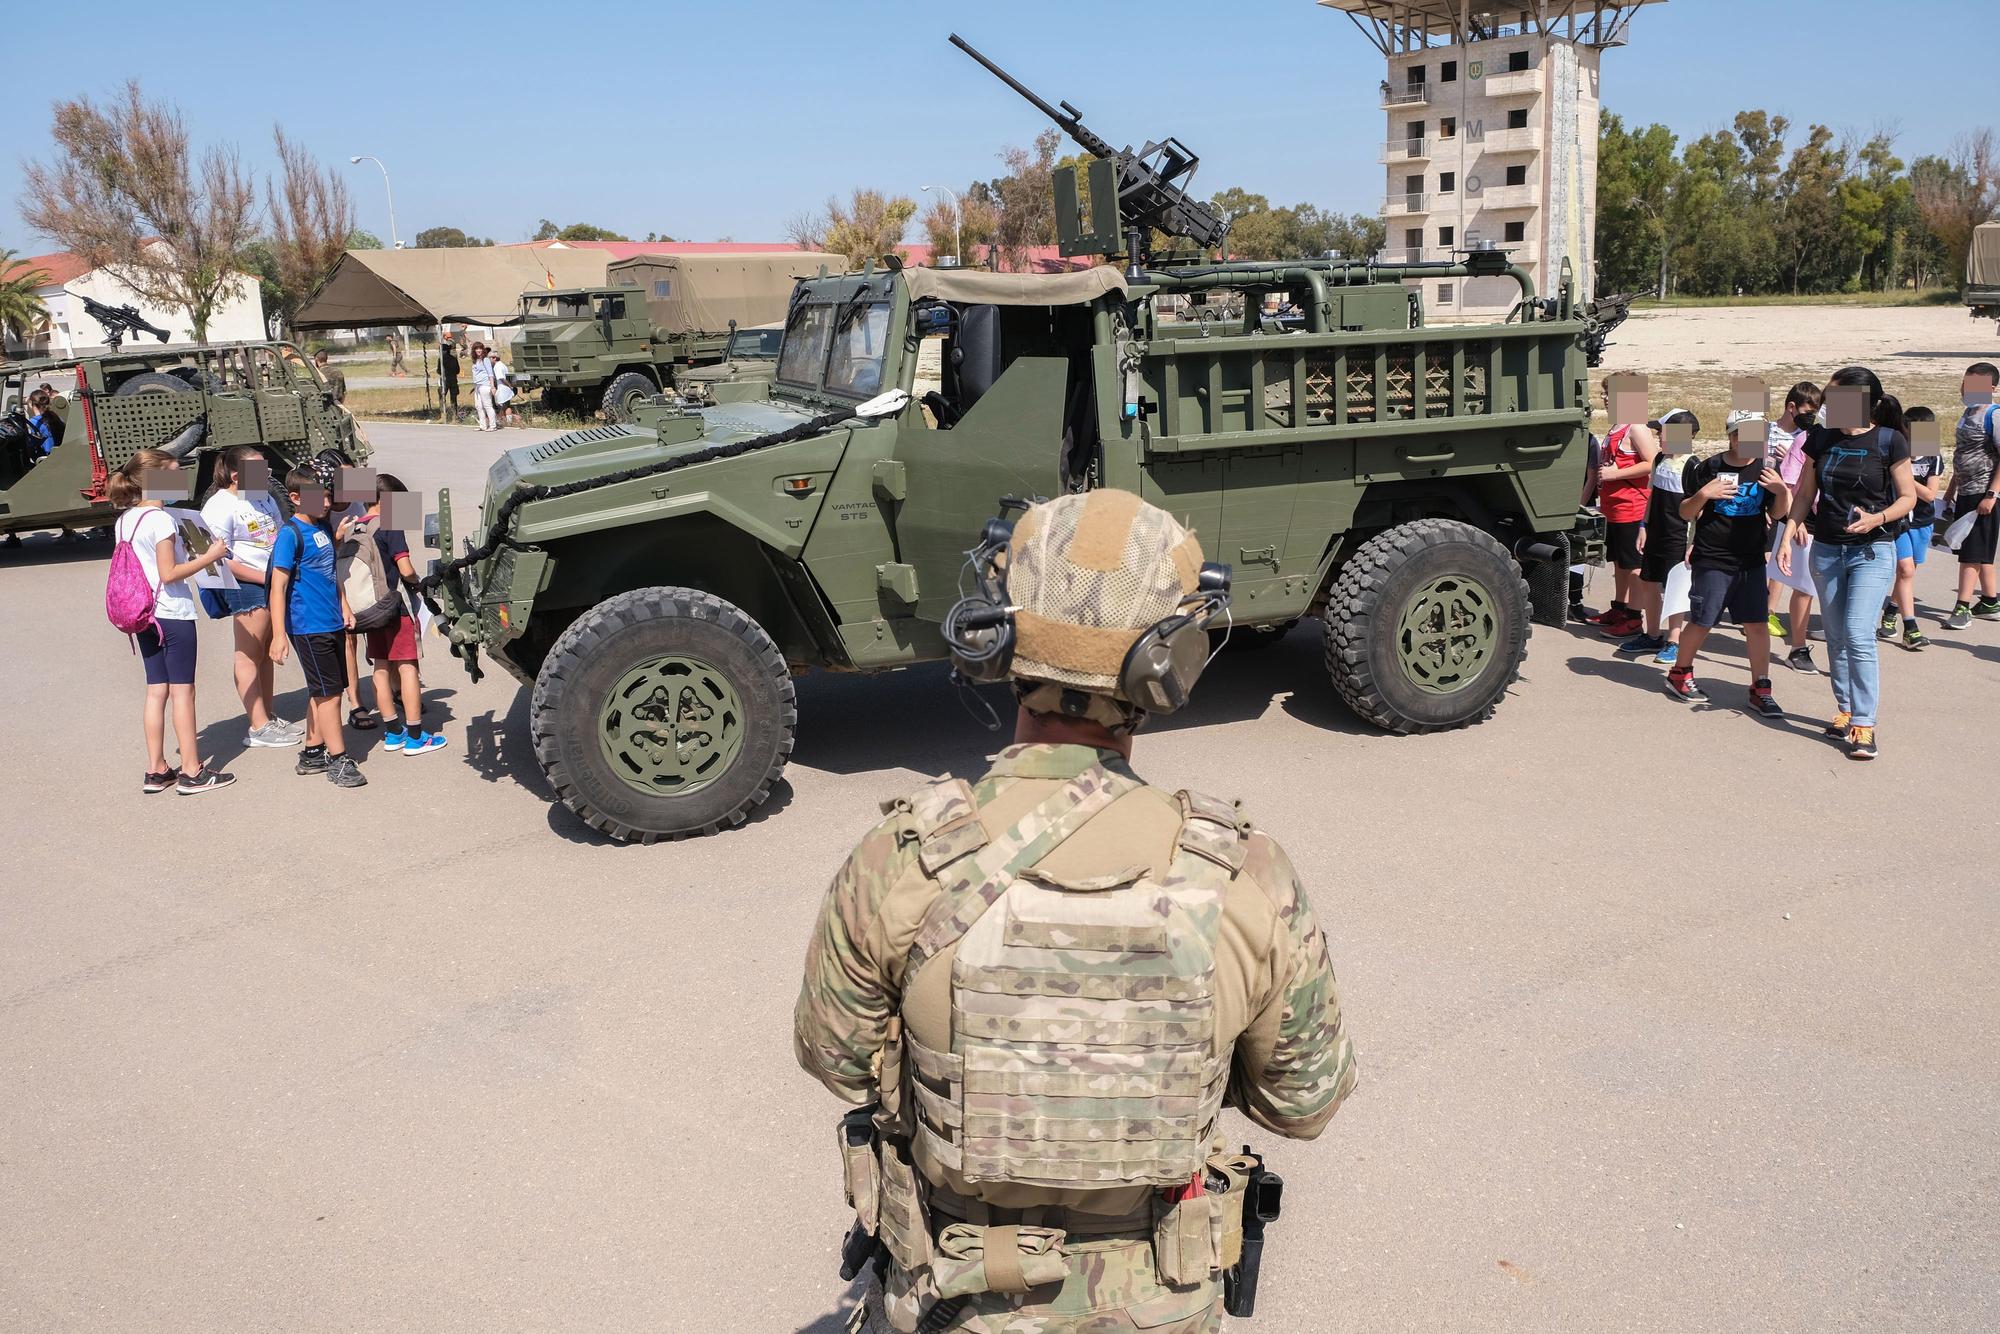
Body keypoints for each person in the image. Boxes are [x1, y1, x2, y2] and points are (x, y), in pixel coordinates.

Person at [796, 490, 1357, 1334]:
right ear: (1174, 656)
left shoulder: (903, 861)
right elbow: (1301, 1103)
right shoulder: (1246, 877)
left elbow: (836, 1060)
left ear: (999, 632)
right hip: (1159, 1307)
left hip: (953, 1296)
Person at [1779, 366, 1916, 761]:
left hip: (1872, 551)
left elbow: (1907, 497)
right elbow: (1805, 495)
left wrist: (1878, 518)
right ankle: (1844, 708)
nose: (1826, 406)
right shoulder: (1819, 439)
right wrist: (1787, 537)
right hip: (1827, 549)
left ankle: (1865, 723)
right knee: (1837, 636)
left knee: (1857, 634)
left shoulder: (1890, 441)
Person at [109, 449, 236, 795]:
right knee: (183, 691)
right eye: (175, 473)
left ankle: (156, 768)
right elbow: (169, 573)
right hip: (171, 612)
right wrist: (210, 556)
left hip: (144, 614)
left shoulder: (126, 519)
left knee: (156, 690)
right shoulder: (162, 520)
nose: (180, 480)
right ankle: (193, 771)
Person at [1662, 410, 1789, 716]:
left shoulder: (1767, 468)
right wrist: (1705, 493)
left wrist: (1782, 490)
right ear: (1732, 436)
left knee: (1757, 624)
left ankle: (1761, 688)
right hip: (1713, 557)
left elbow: (1778, 513)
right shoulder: (1710, 466)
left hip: (1751, 560)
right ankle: (1680, 673)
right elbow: (1685, 512)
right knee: (1704, 620)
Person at [269, 467, 367, 788]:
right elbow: (278, 587)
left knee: (323, 690)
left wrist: (345, 606)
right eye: (317, 497)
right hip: (308, 626)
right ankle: (338, 760)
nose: (325, 502)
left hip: (332, 621)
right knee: (330, 696)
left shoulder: (323, 529)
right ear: (295, 499)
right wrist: (279, 634)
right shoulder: (289, 535)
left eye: (325, 495)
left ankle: (312, 752)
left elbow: (329, 573)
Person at [199, 446, 302, 748]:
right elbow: (219, 558)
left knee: (266, 654)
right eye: (260, 471)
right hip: (248, 586)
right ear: (235, 476)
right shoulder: (219, 507)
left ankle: (266, 715)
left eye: (267, 469)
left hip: (270, 582)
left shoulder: (263, 497)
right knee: (248, 655)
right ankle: (257, 727)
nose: (267, 476)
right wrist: (267, 579)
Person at [360, 473, 447, 756]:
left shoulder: (353, 528)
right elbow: (406, 568)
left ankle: (393, 733)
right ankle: (415, 736)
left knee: (381, 668)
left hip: (369, 610)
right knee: (408, 667)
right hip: (395, 609)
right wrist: (418, 582)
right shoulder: (391, 526)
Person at [1617, 408, 1696, 663]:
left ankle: (1674, 641)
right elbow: (1652, 497)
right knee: (1649, 584)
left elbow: (1698, 511)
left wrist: (1693, 544)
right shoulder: (1660, 459)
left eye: (1663, 433)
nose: (1659, 436)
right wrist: (1643, 526)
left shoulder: (1693, 466)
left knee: (1675, 590)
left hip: (1679, 538)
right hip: (1655, 534)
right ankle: (1652, 635)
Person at [1590, 382, 1660, 638]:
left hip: (1633, 507)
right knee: (1619, 562)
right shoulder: (1616, 426)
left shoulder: (1637, 427)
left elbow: (1653, 463)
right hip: (1613, 508)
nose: (1605, 398)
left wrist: (1615, 474)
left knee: (1634, 567)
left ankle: (1633, 618)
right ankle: (1619, 608)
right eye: (1605, 393)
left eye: (1611, 393)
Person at [1766, 382, 1824, 672]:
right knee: (1804, 586)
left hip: (1845, 524)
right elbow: (1788, 484)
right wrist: (1793, 519)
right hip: (1805, 521)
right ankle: (1797, 646)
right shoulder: (1806, 440)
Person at [1942, 361, 2000, 630]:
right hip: (1966, 491)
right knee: (1979, 550)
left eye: (1975, 384)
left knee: (1971, 553)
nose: (1967, 388)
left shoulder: (1995, 415)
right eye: (1966, 382)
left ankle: (1962, 607)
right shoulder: (1966, 414)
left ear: (1991, 388)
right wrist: (1950, 490)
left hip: (1984, 495)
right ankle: (1989, 601)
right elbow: (1962, 455)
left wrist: (1992, 494)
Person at [1878, 404, 1941, 651]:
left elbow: (1930, 494)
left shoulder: (1932, 455)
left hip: (1923, 522)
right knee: (1905, 571)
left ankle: (1891, 611)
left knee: (1908, 573)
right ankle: (1911, 629)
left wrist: (1904, 477)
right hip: (1900, 521)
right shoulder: (1898, 450)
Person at [470, 342, 498, 431]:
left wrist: (492, 386)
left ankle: (493, 425)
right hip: (477, 385)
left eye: (480, 348)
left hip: (485, 385)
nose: (478, 350)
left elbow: (490, 373)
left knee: (487, 405)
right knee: (478, 406)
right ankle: (483, 425)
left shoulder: (485, 360)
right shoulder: (475, 360)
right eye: (476, 349)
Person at [491, 348, 521, 427]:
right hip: (506, 389)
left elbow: (501, 378)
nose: (490, 360)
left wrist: (509, 385)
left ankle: (513, 419)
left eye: (491, 358)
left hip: (503, 389)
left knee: (501, 407)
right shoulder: (503, 365)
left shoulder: (497, 366)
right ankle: (509, 422)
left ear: (494, 358)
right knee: (506, 406)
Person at [439, 333, 461, 422]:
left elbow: (438, 370)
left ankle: (443, 416)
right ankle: (454, 417)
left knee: (442, 397)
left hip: (445, 380)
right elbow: (458, 370)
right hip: (453, 380)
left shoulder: (440, 359)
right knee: (454, 399)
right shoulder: (454, 359)